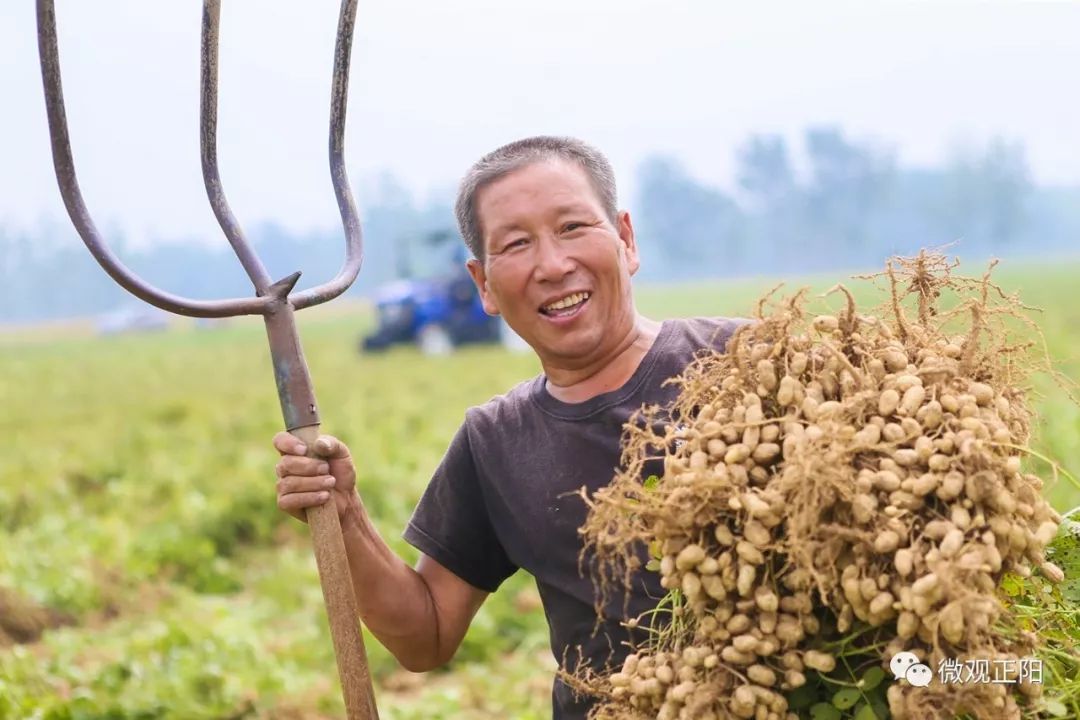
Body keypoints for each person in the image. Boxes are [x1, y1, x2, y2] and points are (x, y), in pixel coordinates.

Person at [272, 136, 744, 719]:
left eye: (572, 227)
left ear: (625, 239)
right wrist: (344, 514)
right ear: (484, 284)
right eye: (517, 244)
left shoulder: (747, 363)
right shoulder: (496, 441)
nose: (551, 264)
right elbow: (425, 635)